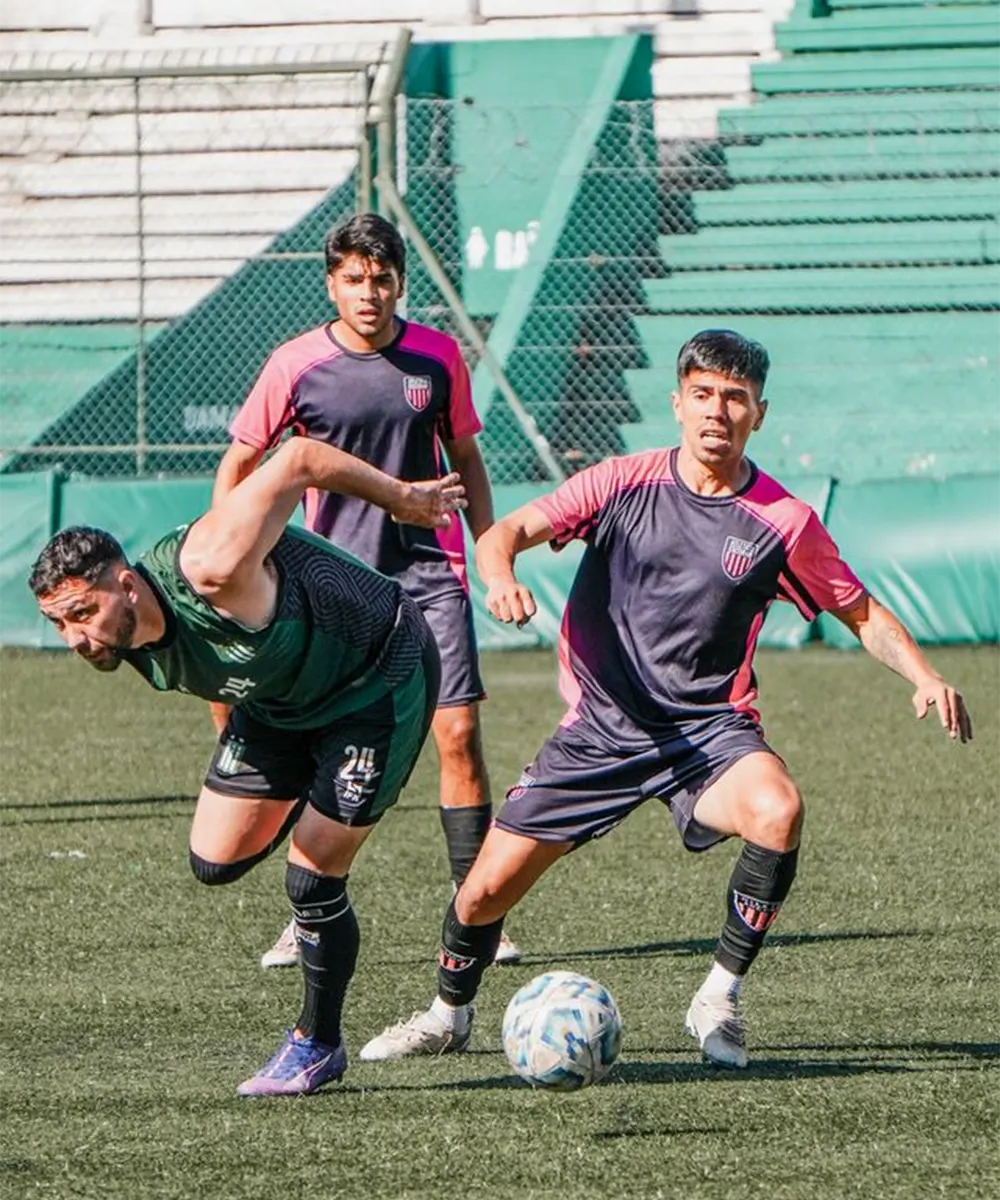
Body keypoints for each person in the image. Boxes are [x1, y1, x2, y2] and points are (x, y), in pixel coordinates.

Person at [358, 328, 973, 1068]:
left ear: (759, 414)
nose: (718, 411)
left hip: (706, 735)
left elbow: (862, 613)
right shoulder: (622, 481)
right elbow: (509, 531)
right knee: (482, 895)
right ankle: (447, 1015)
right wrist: (499, 577)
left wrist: (924, 676)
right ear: (678, 402)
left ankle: (719, 993)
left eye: (735, 399)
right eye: (705, 395)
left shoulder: (783, 522)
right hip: (599, 732)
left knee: (778, 811)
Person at [29, 436, 466, 1096]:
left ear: (125, 583)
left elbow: (297, 459)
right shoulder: (123, 642)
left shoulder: (210, 562)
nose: (77, 640)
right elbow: (215, 673)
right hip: (278, 703)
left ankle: (317, 1045)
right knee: (215, 860)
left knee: (312, 878)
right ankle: (322, 799)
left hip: (376, 676)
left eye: (83, 615)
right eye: (61, 626)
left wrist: (405, 499)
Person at [212, 211, 522, 970]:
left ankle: (478, 911)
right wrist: (229, 555)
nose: (370, 293)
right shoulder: (293, 365)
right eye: (354, 279)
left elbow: (469, 460)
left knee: (458, 738)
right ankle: (304, 912)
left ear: (399, 283)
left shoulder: (438, 357)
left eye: (383, 279)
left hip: (429, 573)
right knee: (313, 748)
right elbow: (241, 465)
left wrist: (489, 558)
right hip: (328, 586)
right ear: (332, 284)